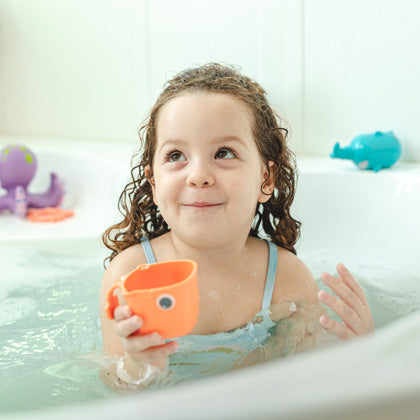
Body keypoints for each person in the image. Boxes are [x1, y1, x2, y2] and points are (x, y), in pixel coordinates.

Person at [99, 63, 374, 390]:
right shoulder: (129, 276)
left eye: (224, 152)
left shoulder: (286, 278)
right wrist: (137, 366)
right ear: (154, 182)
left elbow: (309, 383)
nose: (198, 174)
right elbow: (114, 387)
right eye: (176, 155)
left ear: (266, 178)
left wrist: (362, 353)